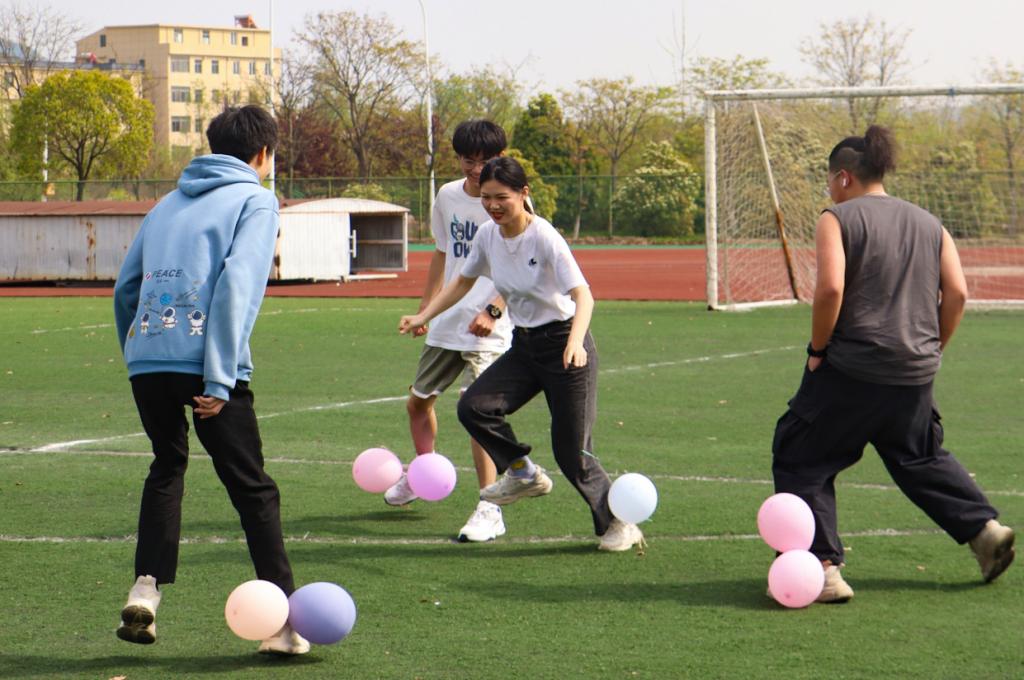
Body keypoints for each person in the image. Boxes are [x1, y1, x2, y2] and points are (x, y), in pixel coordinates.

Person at [771, 125, 1015, 603]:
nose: (829, 190)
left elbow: (831, 289)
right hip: (914, 371)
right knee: (918, 455)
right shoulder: (930, 222)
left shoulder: (836, 218)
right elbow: (958, 293)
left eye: (829, 181)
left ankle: (823, 569)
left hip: (852, 367)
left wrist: (817, 350)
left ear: (844, 178)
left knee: (801, 455)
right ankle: (985, 532)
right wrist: (933, 347)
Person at [112, 105, 308, 654]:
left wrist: (139, 353)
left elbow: (126, 289)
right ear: (263, 154)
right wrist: (220, 379)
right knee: (253, 489)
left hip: (149, 363)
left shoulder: (166, 203)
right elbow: (237, 285)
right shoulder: (256, 199)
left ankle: (145, 589)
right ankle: (283, 626)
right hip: (206, 369)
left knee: (167, 466)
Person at [398, 156, 644, 552]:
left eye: (502, 197)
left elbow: (583, 295)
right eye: (486, 197)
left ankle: (617, 524)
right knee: (474, 407)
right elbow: (461, 282)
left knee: (571, 452)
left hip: (566, 347)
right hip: (526, 346)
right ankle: (521, 472)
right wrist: (423, 315)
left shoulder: (543, 236)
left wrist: (575, 343)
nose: (493, 205)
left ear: (523, 194)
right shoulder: (488, 235)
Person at [385, 120, 513, 544]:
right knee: (418, 403)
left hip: (488, 329)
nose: (476, 169)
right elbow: (442, 254)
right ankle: (424, 473)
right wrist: (425, 311)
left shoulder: (508, 201)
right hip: (448, 320)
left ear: (500, 158)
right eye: (467, 160)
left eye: (484, 161)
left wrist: (493, 310)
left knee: (479, 414)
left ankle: (490, 506)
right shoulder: (447, 196)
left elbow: (524, 263)